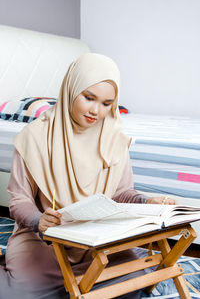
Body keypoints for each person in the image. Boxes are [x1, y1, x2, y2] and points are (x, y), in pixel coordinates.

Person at [0, 53, 176, 298]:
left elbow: (121, 193)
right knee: (23, 291)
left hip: (97, 238)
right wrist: (38, 220)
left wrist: (146, 201)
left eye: (106, 104)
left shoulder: (114, 138)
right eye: (89, 98)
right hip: (44, 238)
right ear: (71, 89)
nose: (96, 111)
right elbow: (19, 200)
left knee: (132, 278)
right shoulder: (34, 137)